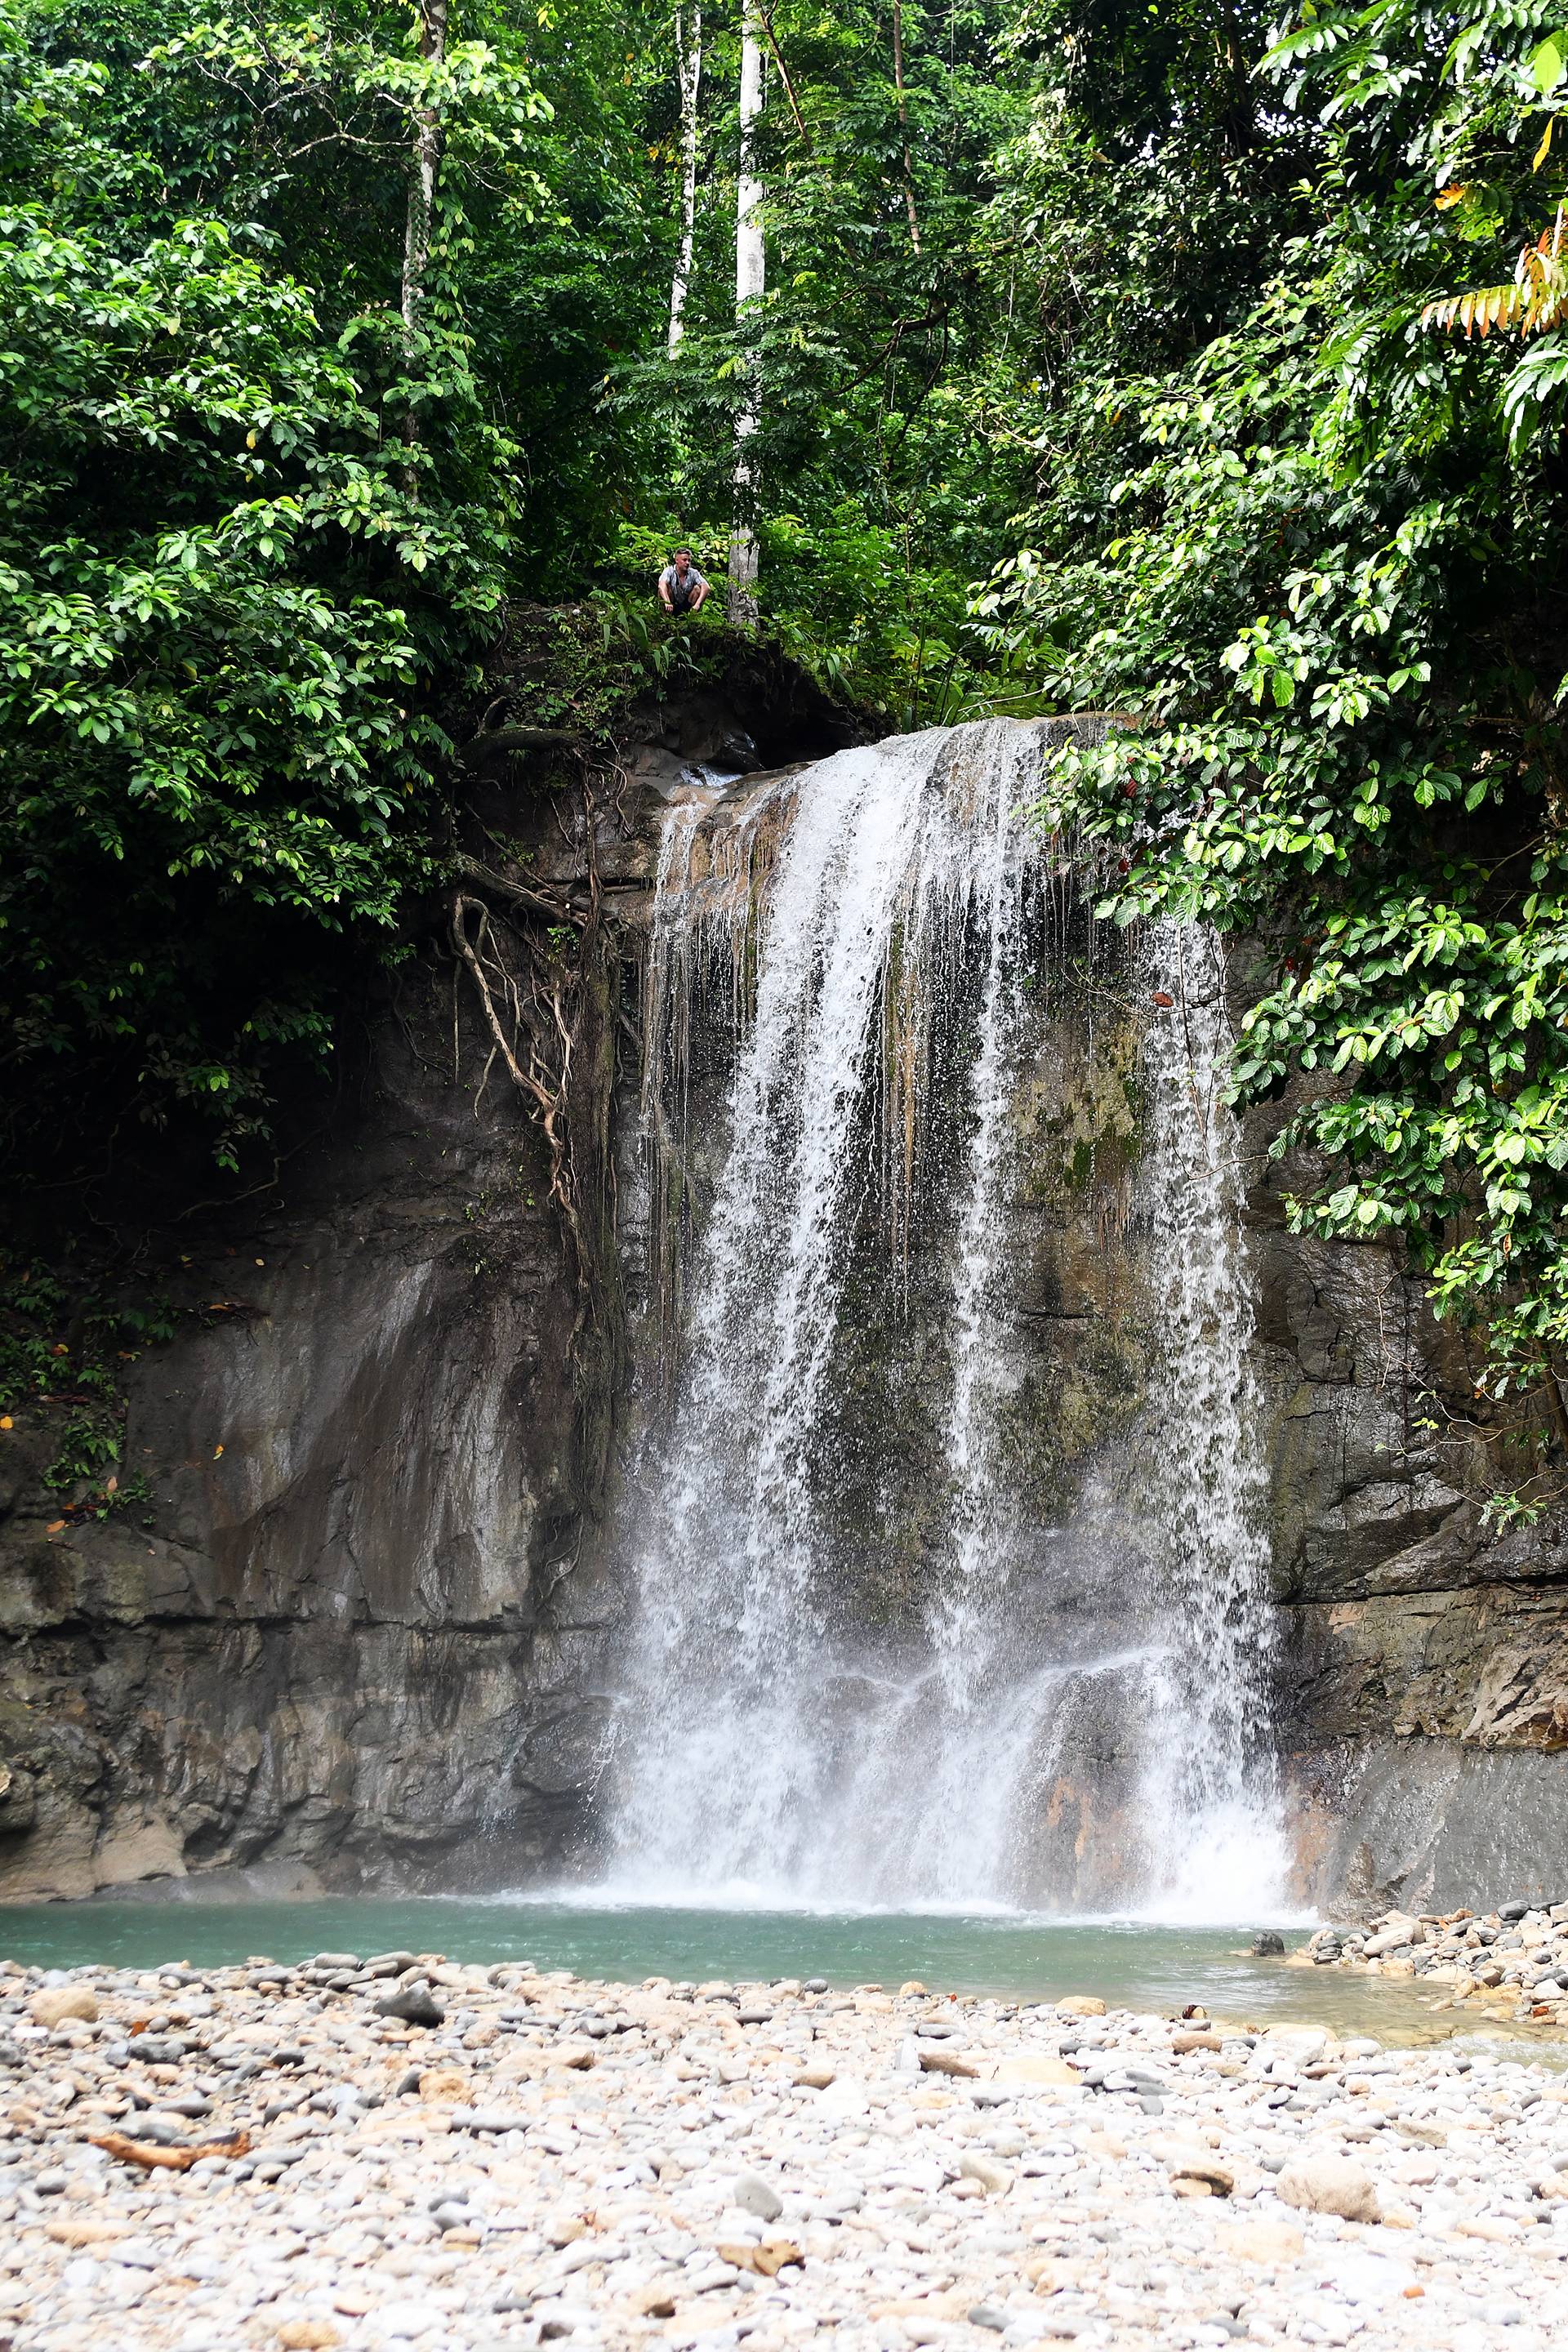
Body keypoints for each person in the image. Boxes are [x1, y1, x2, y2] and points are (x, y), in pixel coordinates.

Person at [658, 547, 710, 616]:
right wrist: (667, 602)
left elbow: (706, 587)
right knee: (663, 589)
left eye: (689, 560)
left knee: (697, 589)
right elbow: (661, 585)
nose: (687, 563)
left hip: (687, 604)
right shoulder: (669, 571)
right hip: (672, 603)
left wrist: (697, 604)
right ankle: (665, 620)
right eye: (684, 560)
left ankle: (691, 618)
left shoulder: (693, 572)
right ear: (677, 560)